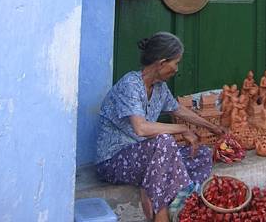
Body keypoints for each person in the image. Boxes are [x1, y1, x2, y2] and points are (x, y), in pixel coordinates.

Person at [96, 32, 224, 222]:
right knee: (164, 140)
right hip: (114, 160)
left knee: (201, 154)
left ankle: (164, 194)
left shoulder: (159, 87)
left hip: (146, 158)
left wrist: (212, 128)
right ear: (162, 62)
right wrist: (182, 129)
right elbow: (141, 129)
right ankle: (161, 212)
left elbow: (177, 109)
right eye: (176, 63)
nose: (176, 69)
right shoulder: (130, 84)